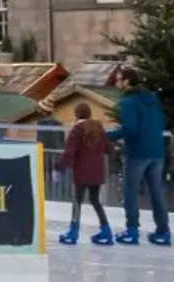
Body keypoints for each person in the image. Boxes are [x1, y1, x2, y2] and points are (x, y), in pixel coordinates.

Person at [106, 67, 169, 245]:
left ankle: (132, 231)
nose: (116, 83)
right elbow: (162, 122)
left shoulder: (129, 102)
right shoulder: (153, 99)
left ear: (127, 81)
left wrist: (107, 136)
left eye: (118, 80)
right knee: (156, 192)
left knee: (130, 191)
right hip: (157, 151)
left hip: (137, 153)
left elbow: (130, 128)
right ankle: (163, 232)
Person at [57, 101, 114, 245]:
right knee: (96, 201)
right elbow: (108, 148)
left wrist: (59, 167)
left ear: (76, 114)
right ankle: (106, 231)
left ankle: (73, 232)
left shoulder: (77, 130)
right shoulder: (98, 128)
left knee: (77, 201)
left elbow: (69, 152)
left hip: (82, 172)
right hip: (97, 172)